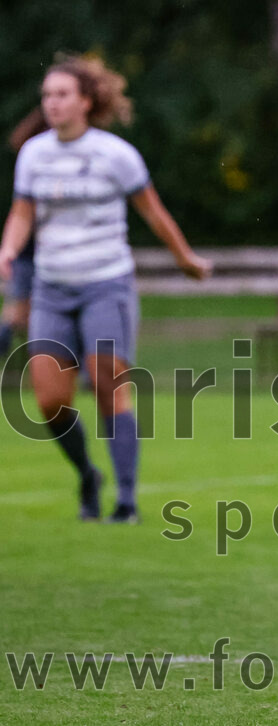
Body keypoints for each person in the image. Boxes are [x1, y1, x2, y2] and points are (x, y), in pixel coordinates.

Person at [0, 54, 212, 523]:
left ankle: (128, 499)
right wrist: (7, 250)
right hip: (53, 288)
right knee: (51, 402)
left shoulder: (116, 154)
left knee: (106, 386)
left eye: (61, 95)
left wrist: (185, 259)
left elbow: (153, 212)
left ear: (86, 101)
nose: (51, 104)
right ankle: (87, 475)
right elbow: (22, 213)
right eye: (47, 96)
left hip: (106, 284)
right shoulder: (35, 154)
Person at [0, 111, 48, 360]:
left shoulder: (30, 155)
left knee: (18, 313)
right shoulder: (41, 162)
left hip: (27, 253)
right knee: (19, 314)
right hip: (31, 253)